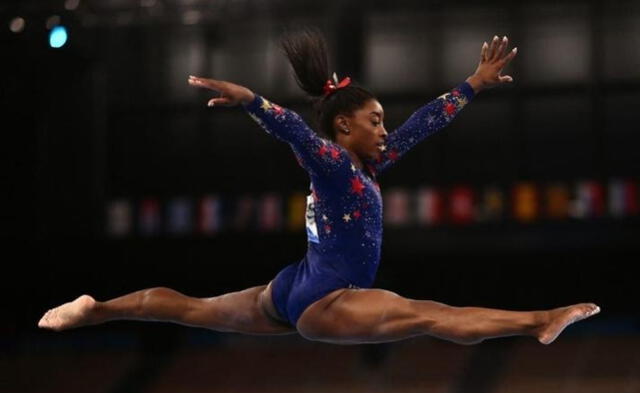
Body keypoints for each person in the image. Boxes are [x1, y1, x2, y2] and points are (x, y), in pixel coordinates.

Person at [38, 30, 600, 345]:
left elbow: (425, 123)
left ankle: (98, 309)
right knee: (430, 314)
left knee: (190, 308)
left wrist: (472, 85)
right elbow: (296, 135)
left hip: (293, 287)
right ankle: (540, 319)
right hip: (328, 297)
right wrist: (253, 101)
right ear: (343, 128)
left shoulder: (366, 168)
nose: (385, 130)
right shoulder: (333, 162)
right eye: (375, 121)